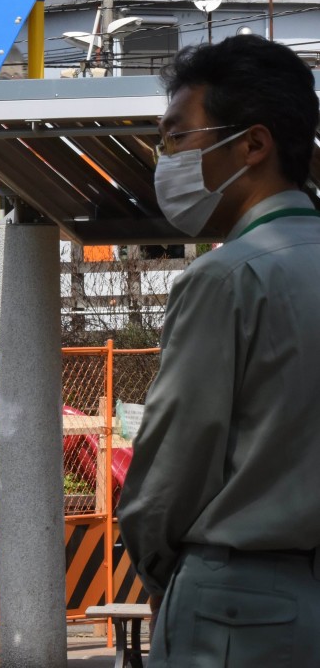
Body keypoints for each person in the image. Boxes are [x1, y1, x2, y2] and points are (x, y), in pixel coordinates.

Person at [117, 34, 320, 667]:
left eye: (177, 137)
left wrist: (161, 578)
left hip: (239, 606)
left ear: (254, 144)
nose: (167, 158)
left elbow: (171, 470)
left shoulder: (227, 279)